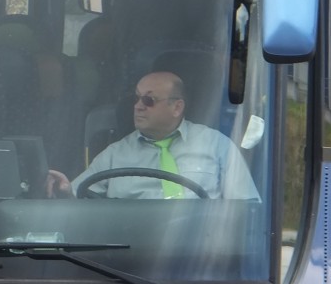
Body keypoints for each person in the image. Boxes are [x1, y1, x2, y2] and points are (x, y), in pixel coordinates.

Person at [46, 71, 260, 200]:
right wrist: (64, 191)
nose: (138, 106)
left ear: (177, 107)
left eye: (149, 101)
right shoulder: (115, 154)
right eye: (137, 99)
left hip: (202, 255)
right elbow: (76, 199)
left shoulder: (217, 145)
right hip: (130, 256)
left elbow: (246, 211)